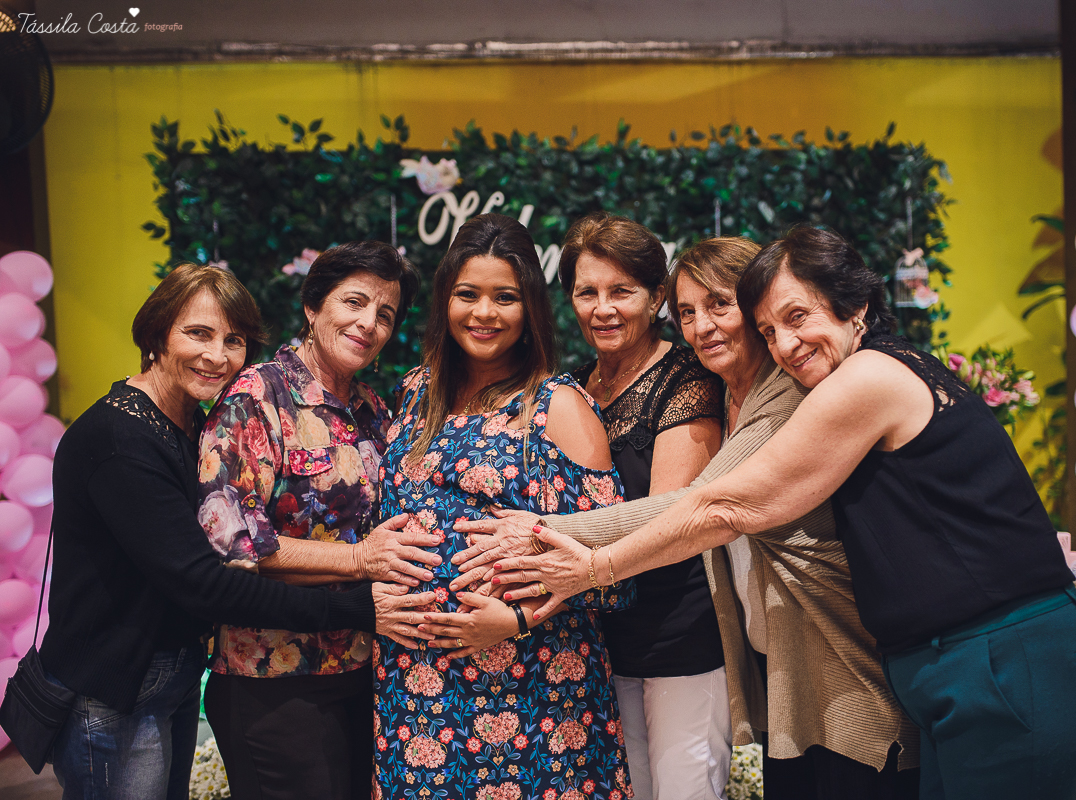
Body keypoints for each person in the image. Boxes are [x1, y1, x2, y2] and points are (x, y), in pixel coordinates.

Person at [488, 225, 1076, 800]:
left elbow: (726, 502)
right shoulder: (813, 382)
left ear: (857, 307)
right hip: (943, 665)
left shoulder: (867, 378)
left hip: (1005, 656)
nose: (785, 344)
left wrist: (583, 556)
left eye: (797, 317)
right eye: (769, 329)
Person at [455, 237, 919, 798]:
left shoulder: (783, 391)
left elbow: (703, 504)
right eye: (690, 313)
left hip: (812, 650)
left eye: (720, 306)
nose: (703, 326)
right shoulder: (716, 392)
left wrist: (541, 535)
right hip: (716, 650)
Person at [41, 262, 435, 800]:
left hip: (193, 671)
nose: (217, 355)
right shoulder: (132, 433)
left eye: (233, 340)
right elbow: (218, 567)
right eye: (198, 334)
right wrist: (360, 576)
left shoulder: (186, 420)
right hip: (125, 681)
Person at [371, 213, 634, 800]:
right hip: (417, 696)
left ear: (531, 308)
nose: (483, 313)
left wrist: (515, 620)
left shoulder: (559, 405)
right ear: (445, 300)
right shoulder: (413, 393)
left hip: (533, 698)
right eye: (468, 294)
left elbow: (618, 573)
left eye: (505, 297)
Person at [197, 242, 440, 800]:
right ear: (313, 306)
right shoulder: (257, 397)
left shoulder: (373, 411)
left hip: (364, 669)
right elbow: (230, 540)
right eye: (354, 302)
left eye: (385, 314)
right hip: (273, 682)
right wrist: (358, 559)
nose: (368, 323)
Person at [553, 212, 727, 800]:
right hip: (595, 635)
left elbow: (668, 516)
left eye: (621, 291)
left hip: (679, 631)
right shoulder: (571, 388)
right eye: (587, 292)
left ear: (656, 297)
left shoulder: (687, 378)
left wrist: (545, 535)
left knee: (685, 788)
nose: (603, 308)